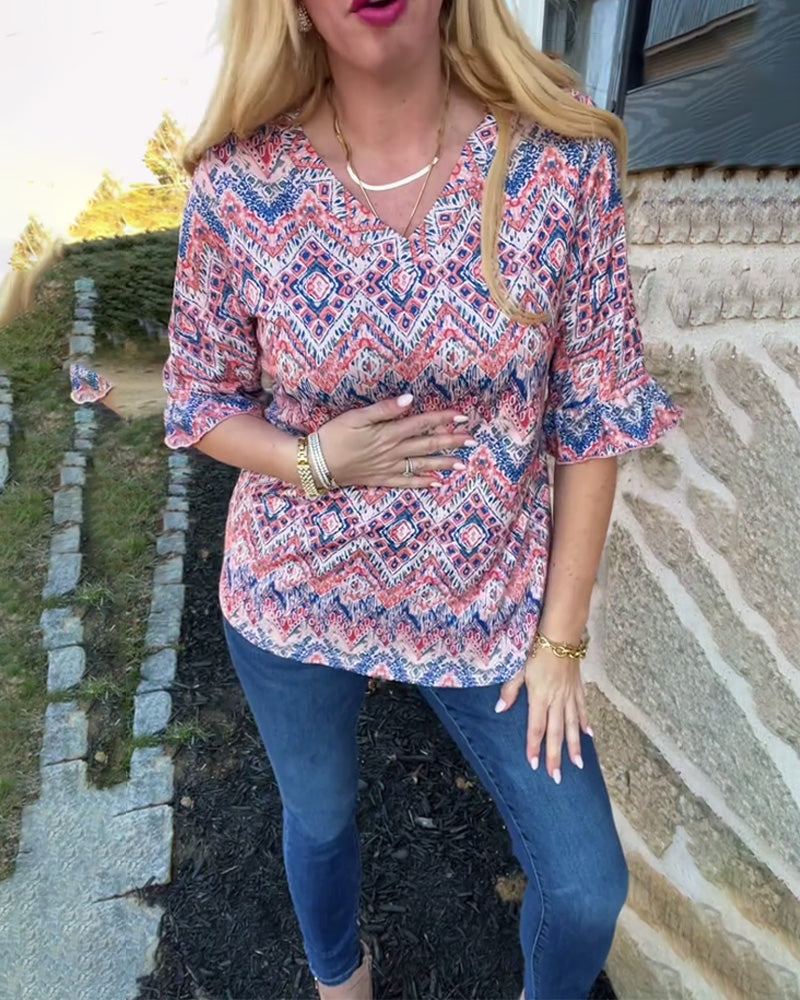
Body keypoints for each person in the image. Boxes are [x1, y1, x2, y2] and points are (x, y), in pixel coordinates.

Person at [161, 1, 682, 997]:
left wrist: (561, 641)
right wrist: (311, 459)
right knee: (318, 819)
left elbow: (597, 413)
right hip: (295, 596)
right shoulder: (239, 184)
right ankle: (339, 977)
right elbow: (197, 400)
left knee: (584, 886)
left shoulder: (557, 161)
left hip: (488, 603)